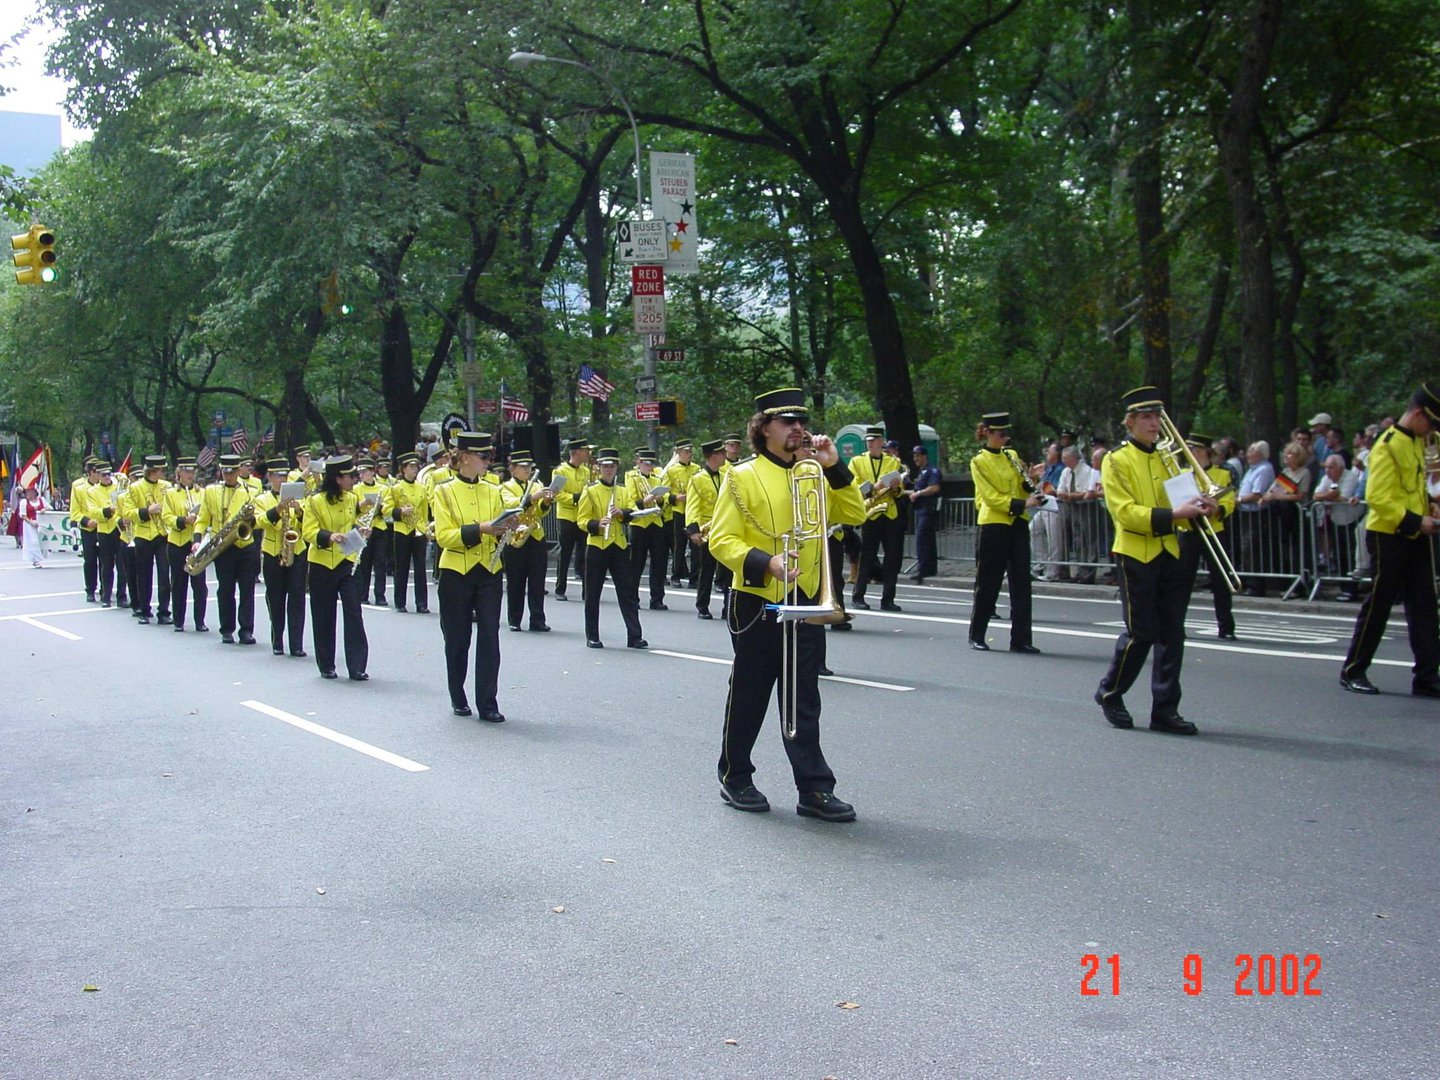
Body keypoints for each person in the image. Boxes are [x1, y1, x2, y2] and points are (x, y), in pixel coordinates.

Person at [708, 387, 866, 822]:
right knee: (750, 694)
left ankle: (814, 788)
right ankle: (735, 776)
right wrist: (767, 563)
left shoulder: (814, 472)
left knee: (803, 699)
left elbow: (855, 514)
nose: (798, 428)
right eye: (787, 422)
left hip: (807, 597)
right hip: (758, 598)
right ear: (764, 429)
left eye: (801, 421)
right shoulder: (741, 476)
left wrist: (834, 467)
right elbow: (721, 539)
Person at [1093, 387, 1216, 735]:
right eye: (1146, 417)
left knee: (1172, 633)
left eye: (1157, 417)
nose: (1154, 424)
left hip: (1169, 550)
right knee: (1141, 633)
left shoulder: (1166, 457)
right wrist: (1175, 514)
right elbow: (1124, 512)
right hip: (1135, 553)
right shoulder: (1116, 460)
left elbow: (1182, 502)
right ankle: (1110, 692)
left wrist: (1203, 507)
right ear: (1130, 422)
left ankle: (1165, 710)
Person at [1339, 385, 1440, 696]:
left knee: (1424, 605)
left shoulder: (1416, 442)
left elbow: (1411, 486)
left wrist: (1428, 504)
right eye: (1431, 423)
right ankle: (1354, 670)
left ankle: (1427, 676)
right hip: (1388, 535)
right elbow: (1378, 497)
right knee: (1379, 604)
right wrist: (1416, 520)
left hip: (1415, 534)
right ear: (1418, 414)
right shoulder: (1387, 445)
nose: (1432, 430)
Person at [433, 432, 513, 720]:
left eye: (489, 456)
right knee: (457, 638)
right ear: (465, 457)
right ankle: (458, 695)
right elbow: (444, 536)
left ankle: (488, 703)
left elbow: (501, 525)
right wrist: (481, 528)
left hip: (489, 569)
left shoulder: (493, 489)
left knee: (490, 637)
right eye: (483, 456)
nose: (488, 461)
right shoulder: (443, 491)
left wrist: (509, 525)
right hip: (456, 572)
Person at [968, 412, 1042, 652]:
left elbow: (1020, 487)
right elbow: (990, 497)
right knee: (988, 581)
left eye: (1006, 433)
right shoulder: (979, 461)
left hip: (1017, 523)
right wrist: (1022, 503)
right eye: (1000, 433)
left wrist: (1031, 481)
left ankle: (1021, 639)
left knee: (1021, 582)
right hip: (994, 524)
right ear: (988, 433)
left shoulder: (1012, 456)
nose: (1005, 438)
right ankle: (977, 634)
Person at [302, 454, 369, 681]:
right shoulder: (315, 501)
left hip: (347, 561)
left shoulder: (352, 498)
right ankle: (326, 664)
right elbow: (308, 531)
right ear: (338, 479)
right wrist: (329, 536)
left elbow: (350, 524)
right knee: (323, 614)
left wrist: (360, 531)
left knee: (354, 612)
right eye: (350, 476)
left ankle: (357, 666)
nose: (354, 479)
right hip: (322, 563)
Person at [577, 447, 647, 649]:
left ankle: (634, 636)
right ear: (599, 468)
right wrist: (597, 524)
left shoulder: (622, 490)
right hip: (597, 546)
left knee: (627, 592)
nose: (608, 469)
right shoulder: (590, 491)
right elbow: (582, 520)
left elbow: (633, 512)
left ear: (617, 467)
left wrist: (621, 513)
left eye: (612, 466)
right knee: (593, 593)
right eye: (605, 466)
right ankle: (592, 636)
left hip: (619, 546)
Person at [1177, 435, 1237, 640]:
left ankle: (1226, 627)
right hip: (1189, 530)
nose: (1190, 454)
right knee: (1182, 581)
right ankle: (1176, 626)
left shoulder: (1222, 474)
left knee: (1221, 581)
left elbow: (1229, 501)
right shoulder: (1182, 474)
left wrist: (1216, 509)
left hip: (1214, 531)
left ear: (1203, 451)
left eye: (1193, 450)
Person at [196, 454, 261, 644]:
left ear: (239, 470)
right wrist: (197, 539)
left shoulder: (251, 491)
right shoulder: (211, 491)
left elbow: (258, 517)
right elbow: (202, 518)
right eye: (225, 472)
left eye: (232, 472)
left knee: (247, 589)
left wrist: (251, 520)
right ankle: (226, 629)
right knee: (225, 589)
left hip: (245, 544)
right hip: (223, 546)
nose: (229, 475)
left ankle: (246, 630)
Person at [255, 457, 307, 656]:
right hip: (273, 553)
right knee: (275, 598)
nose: (282, 479)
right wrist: (278, 510)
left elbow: (308, 522)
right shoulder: (262, 499)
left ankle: (296, 644)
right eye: (277, 476)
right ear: (269, 477)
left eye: (284, 476)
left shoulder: (299, 497)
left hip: (297, 551)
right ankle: (277, 639)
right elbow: (259, 522)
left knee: (297, 598)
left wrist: (299, 510)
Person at [851, 426, 905, 612]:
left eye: (874, 440)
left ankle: (888, 599)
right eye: (868, 440)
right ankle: (858, 596)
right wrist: (874, 487)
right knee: (866, 557)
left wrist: (896, 487)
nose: (870, 443)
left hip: (889, 513)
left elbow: (900, 491)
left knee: (892, 558)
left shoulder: (893, 461)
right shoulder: (857, 462)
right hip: (870, 513)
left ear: (881, 442)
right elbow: (853, 489)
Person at [499, 452, 551, 633]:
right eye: (523, 467)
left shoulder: (536, 484)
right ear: (513, 469)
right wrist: (532, 498)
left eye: (529, 467)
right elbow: (511, 506)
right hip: (515, 537)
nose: (527, 470)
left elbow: (541, 512)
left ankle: (537, 619)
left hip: (535, 535)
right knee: (516, 580)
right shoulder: (505, 487)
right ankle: (515, 619)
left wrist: (546, 502)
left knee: (537, 580)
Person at [162, 457, 209, 633]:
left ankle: (200, 621)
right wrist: (183, 520)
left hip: (197, 542)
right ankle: (178, 620)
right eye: (186, 471)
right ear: (179, 473)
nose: (190, 474)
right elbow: (166, 516)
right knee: (178, 583)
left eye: (192, 471)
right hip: (178, 542)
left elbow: (206, 514)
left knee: (200, 584)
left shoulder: (202, 493)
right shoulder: (171, 493)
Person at [127, 454, 173, 625]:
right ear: (154, 471)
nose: (163, 473)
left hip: (162, 534)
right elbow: (128, 512)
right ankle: (144, 610)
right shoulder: (135, 487)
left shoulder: (167, 486)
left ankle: (164, 611)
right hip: (143, 535)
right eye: (161, 470)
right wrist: (147, 511)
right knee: (144, 575)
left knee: (164, 574)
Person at [686, 439, 728, 620]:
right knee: (707, 569)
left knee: (728, 571)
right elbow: (692, 506)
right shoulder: (697, 479)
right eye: (722, 453)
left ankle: (728, 607)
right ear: (713, 456)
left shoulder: (727, 474)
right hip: (707, 530)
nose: (725, 456)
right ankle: (702, 606)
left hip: (725, 527)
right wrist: (694, 530)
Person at [626, 447, 672, 610]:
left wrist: (659, 499)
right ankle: (633, 598)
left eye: (651, 464)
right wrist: (646, 500)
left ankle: (657, 599)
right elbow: (631, 500)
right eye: (646, 463)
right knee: (636, 563)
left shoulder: (656, 479)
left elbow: (663, 501)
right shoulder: (631, 477)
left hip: (655, 523)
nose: (649, 467)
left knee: (658, 563)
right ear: (639, 463)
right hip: (639, 524)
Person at [385, 452, 431, 613]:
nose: (414, 469)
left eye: (415, 466)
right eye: (411, 467)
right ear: (403, 469)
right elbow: (387, 509)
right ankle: (400, 602)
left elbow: (424, 511)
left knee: (420, 568)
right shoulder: (396, 488)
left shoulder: (421, 488)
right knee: (402, 567)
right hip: (402, 530)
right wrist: (400, 511)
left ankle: (422, 603)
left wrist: (425, 529)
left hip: (418, 530)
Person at [551, 439, 592, 602]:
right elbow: (556, 494)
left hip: (582, 516)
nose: (587, 453)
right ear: (576, 452)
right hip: (566, 517)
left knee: (584, 553)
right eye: (585, 450)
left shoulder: (585, 471)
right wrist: (576, 498)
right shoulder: (560, 471)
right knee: (565, 554)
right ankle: (560, 588)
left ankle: (586, 590)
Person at [1054, 445, 1096, 583]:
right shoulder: (1066, 471)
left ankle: (1088, 571)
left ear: (1074, 458)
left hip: (1085, 507)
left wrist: (1071, 495)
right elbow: (1060, 489)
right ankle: (1079, 570)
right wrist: (1063, 494)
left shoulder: (1086, 471)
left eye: (1066, 458)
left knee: (1088, 538)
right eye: (1063, 458)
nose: (1063, 460)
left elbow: (1088, 491)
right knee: (1077, 539)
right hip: (1071, 506)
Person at [353, 458, 390, 606]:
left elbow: (387, 508)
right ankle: (363, 594)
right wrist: (362, 504)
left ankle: (380, 595)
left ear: (372, 472)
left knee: (380, 562)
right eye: (360, 472)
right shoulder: (356, 489)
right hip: (363, 527)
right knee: (364, 563)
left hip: (379, 526)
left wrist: (380, 506)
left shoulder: (383, 488)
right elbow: (352, 509)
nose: (362, 475)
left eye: (364, 472)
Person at [664, 440, 700, 586]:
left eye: (690, 451)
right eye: (686, 452)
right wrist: (675, 498)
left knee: (696, 545)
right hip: (679, 511)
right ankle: (676, 576)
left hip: (693, 510)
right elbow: (664, 492)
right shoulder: (671, 470)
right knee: (679, 545)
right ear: (678, 453)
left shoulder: (696, 468)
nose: (689, 454)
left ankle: (694, 578)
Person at [906, 444, 942, 582]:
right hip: (921, 508)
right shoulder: (922, 472)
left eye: (918, 456)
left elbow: (934, 487)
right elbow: (917, 490)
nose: (915, 458)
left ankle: (924, 568)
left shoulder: (932, 471)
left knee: (923, 538)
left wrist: (918, 493)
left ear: (924, 456)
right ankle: (928, 568)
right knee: (926, 539)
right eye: (914, 456)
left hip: (928, 508)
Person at [17, 483, 45, 566]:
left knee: (41, 541)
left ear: (35, 492)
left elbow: (49, 508)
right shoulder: (24, 502)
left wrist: (44, 509)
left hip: (41, 524)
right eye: (27, 492)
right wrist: (31, 522)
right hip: (29, 524)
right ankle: (35, 560)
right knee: (33, 541)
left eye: (30, 492)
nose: (28, 494)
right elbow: (23, 515)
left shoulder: (41, 500)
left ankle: (40, 557)